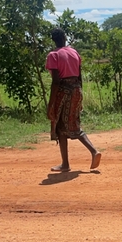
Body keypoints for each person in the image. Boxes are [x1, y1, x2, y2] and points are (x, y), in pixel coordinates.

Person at [46, 28, 101, 172]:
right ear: (65, 38)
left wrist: (51, 104)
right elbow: (80, 76)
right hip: (76, 89)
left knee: (62, 125)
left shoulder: (53, 55)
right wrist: (79, 95)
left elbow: (56, 81)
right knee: (69, 124)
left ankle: (91, 152)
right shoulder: (74, 52)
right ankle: (66, 164)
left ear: (53, 40)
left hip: (63, 92)